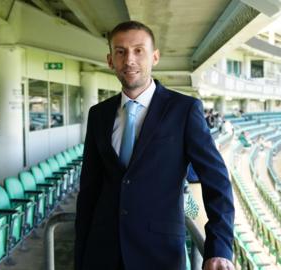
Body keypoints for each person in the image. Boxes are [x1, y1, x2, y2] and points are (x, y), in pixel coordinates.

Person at [75, 21, 235, 270]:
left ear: (155, 57)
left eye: (139, 50)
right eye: (121, 51)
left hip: (159, 255)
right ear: (110, 60)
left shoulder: (184, 110)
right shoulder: (99, 115)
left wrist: (219, 248)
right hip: (101, 252)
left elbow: (217, 180)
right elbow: (89, 190)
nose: (129, 60)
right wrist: (81, 256)